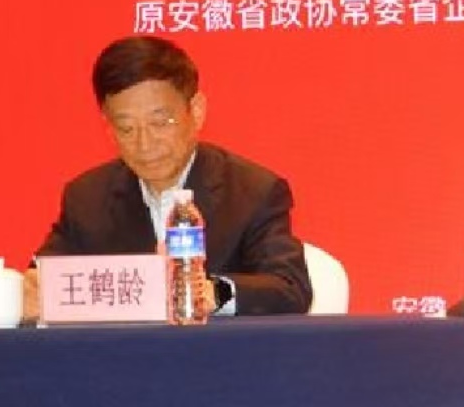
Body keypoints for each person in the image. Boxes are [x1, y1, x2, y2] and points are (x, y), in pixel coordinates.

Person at [24, 35, 312, 318]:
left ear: (196, 112)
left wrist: (214, 293)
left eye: (160, 123)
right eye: (126, 128)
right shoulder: (87, 198)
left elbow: (290, 287)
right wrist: (29, 292)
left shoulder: (253, 191)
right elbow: (41, 279)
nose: (144, 144)